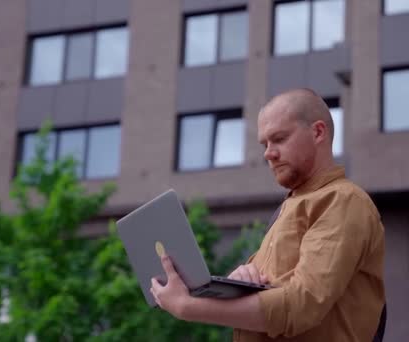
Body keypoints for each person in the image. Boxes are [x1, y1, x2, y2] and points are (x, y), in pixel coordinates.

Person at [150, 88, 386, 341]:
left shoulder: (342, 200)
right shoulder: (289, 208)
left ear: (318, 132)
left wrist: (188, 307)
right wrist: (240, 285)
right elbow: (277, 299)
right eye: (265, 144)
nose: (268, 153)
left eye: (280, 139)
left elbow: (300, 304)